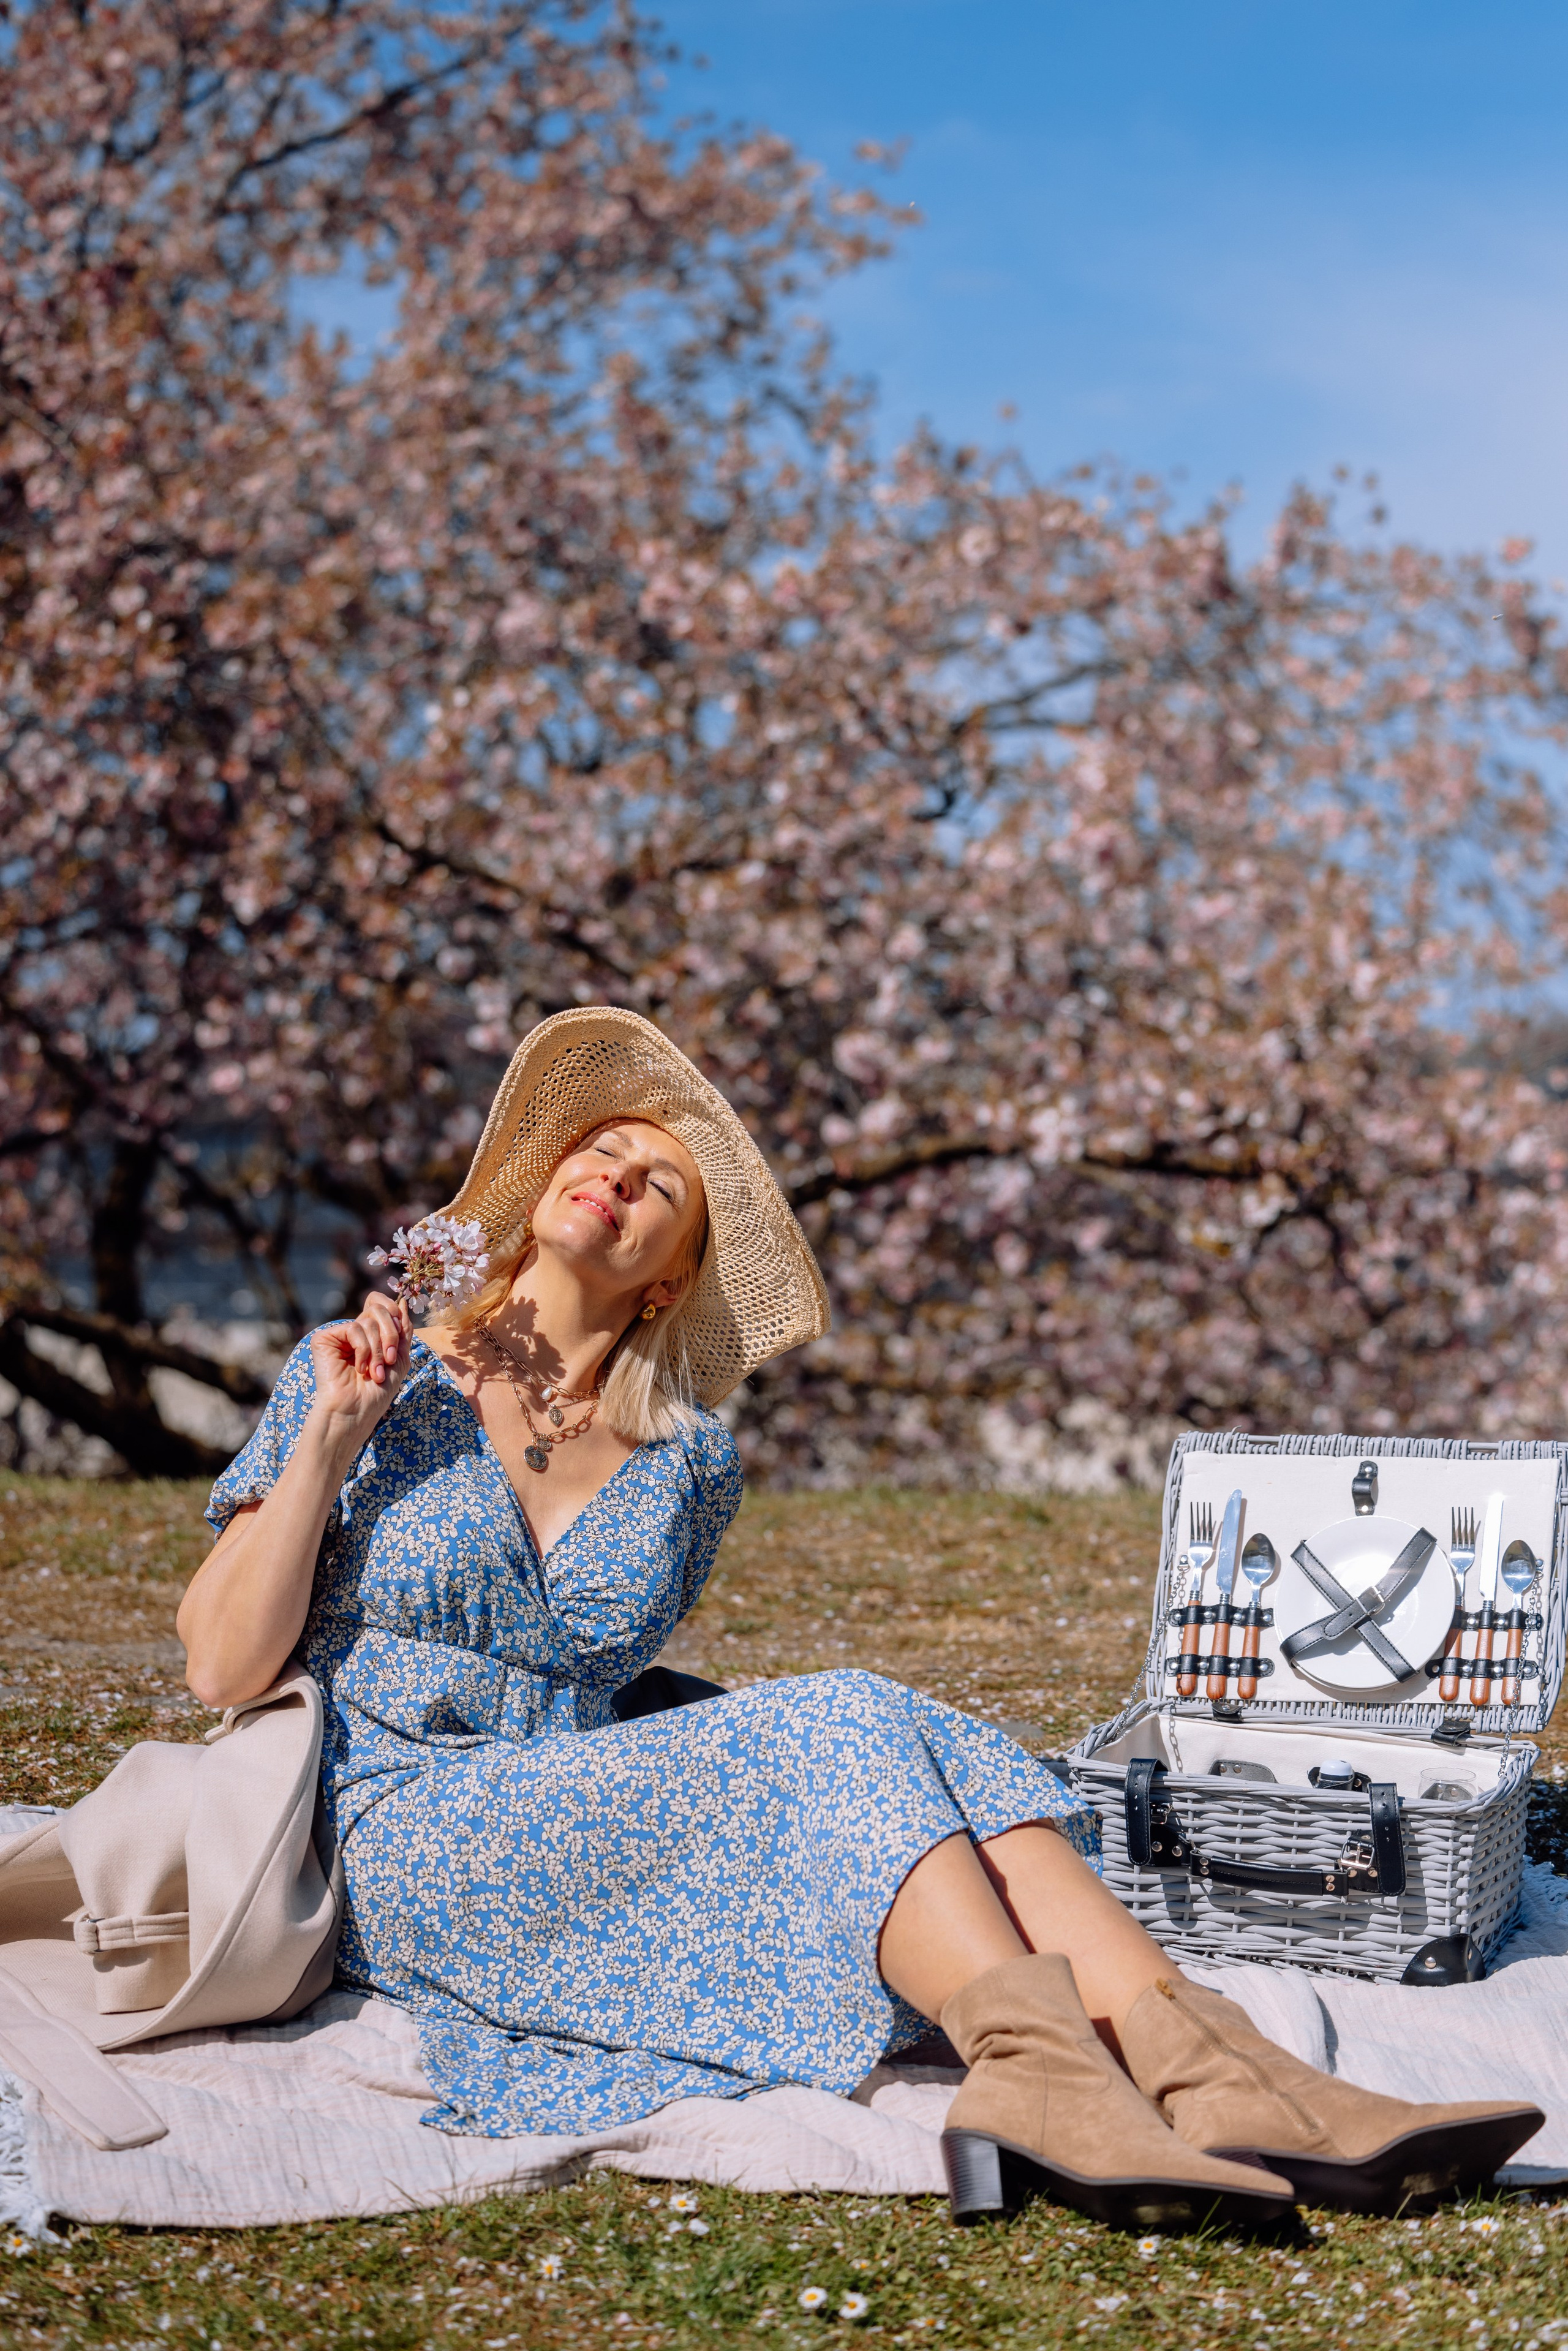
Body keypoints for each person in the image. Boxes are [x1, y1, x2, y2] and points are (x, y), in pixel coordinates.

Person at [177, 1008, 1540, 2231]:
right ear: (539, 1194)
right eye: (599, 1150)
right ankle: (1046, 2075)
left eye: (661, 1185)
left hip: (573, 1794)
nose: (619, 1174)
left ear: (668, 1276)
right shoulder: (368, 1373)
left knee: (896, 1725)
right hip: (400, 1822)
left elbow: (594, 1681)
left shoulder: (685, 1462)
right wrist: (324, 1450)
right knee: (841, 1711)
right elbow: (221, 1664)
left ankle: (1221, 2072)